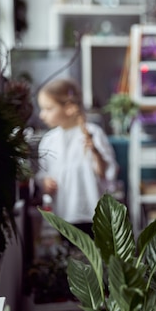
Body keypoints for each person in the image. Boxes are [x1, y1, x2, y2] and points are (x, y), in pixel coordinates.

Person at [35, 78, 118, 236]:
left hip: (93, 216)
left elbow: (106, 173)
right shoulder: (49, 140)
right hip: (64, 215)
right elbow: (43, 174)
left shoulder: (93, 134)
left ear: (70, 108)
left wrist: (94, 151)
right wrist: (44, 182)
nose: (42, 115)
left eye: (48, 108)